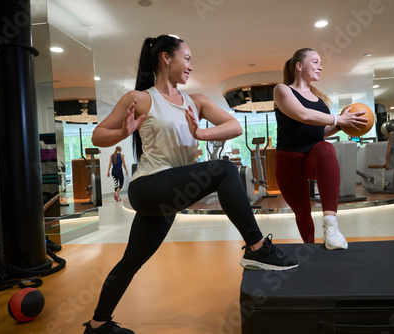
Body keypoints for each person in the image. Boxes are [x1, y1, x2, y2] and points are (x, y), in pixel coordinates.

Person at [82, 35, 298, 334]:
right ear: (165, 58)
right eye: (187, 58)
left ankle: (98, 324)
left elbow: (233, 126)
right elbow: (97, 136)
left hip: (170, 190)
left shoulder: (196, 102)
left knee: (131, 261)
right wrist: (122, 131)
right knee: (224, 170)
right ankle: (257, 247)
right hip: (148, 186)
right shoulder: (141, 98)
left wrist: (201, 134)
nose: (190, 66)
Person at [273, 48, 368, 249]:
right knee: (302, 211)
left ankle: (331, 226)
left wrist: (343, 124)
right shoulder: (282, 90)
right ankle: (309, 248)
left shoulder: (319, 99)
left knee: (326, 148)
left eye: (320, 63)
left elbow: (319, 131)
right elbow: (302, 115)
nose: (320, 67)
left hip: (312, 157)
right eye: (315, 62)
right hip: (288, 160)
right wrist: (338, 119)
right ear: (299, 66)